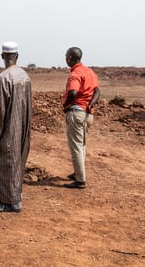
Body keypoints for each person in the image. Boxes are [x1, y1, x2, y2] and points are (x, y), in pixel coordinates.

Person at [0, 41, 32, 213]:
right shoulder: (24, 76)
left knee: (7, 164)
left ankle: (10, 202)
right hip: (22, 128)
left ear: (3, 56)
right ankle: (15, 196)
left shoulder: (2, 78)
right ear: (17, 57)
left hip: (8, 130)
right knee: (17, 163)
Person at [61, 47, 101, 189]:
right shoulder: (89, 72)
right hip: (87, 113)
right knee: (82, 144)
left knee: (76, 146)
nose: (65, 59)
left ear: (71, 58)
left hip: (76, 112)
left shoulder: (76, 73)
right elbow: (97, 91)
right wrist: (91, 105)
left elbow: (73, 92)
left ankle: (80, 180)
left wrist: (66, 106)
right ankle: (78, 172)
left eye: (66, 56)